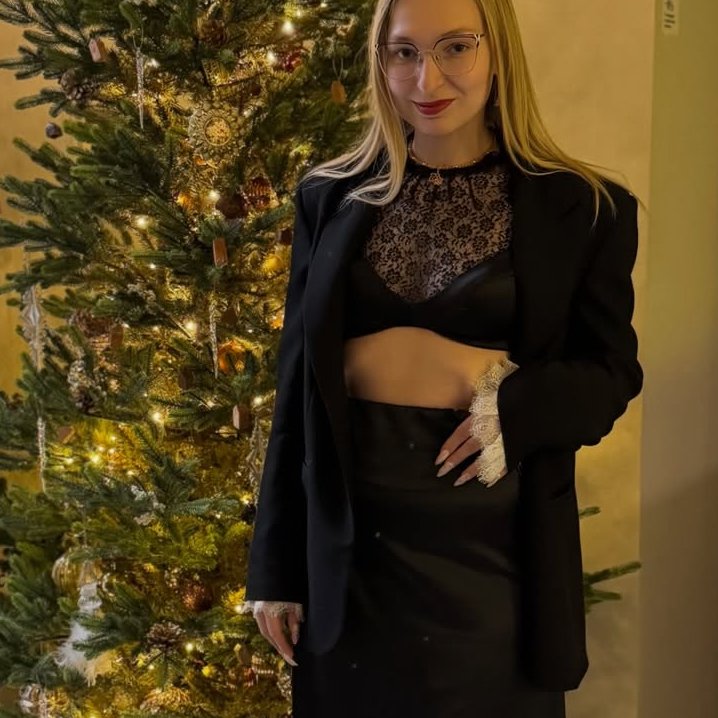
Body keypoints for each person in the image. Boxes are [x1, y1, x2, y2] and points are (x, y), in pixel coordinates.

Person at [240, 0, 643, 715]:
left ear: (498, 52)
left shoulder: (586, 208)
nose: (427, 78)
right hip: (347, 555)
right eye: (404, 52)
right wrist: (274, 566)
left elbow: (611, 374)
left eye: (455, 47)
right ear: (380, 61)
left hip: (491, 550)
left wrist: (513, 411)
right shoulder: (327, 197)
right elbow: (296, 389)